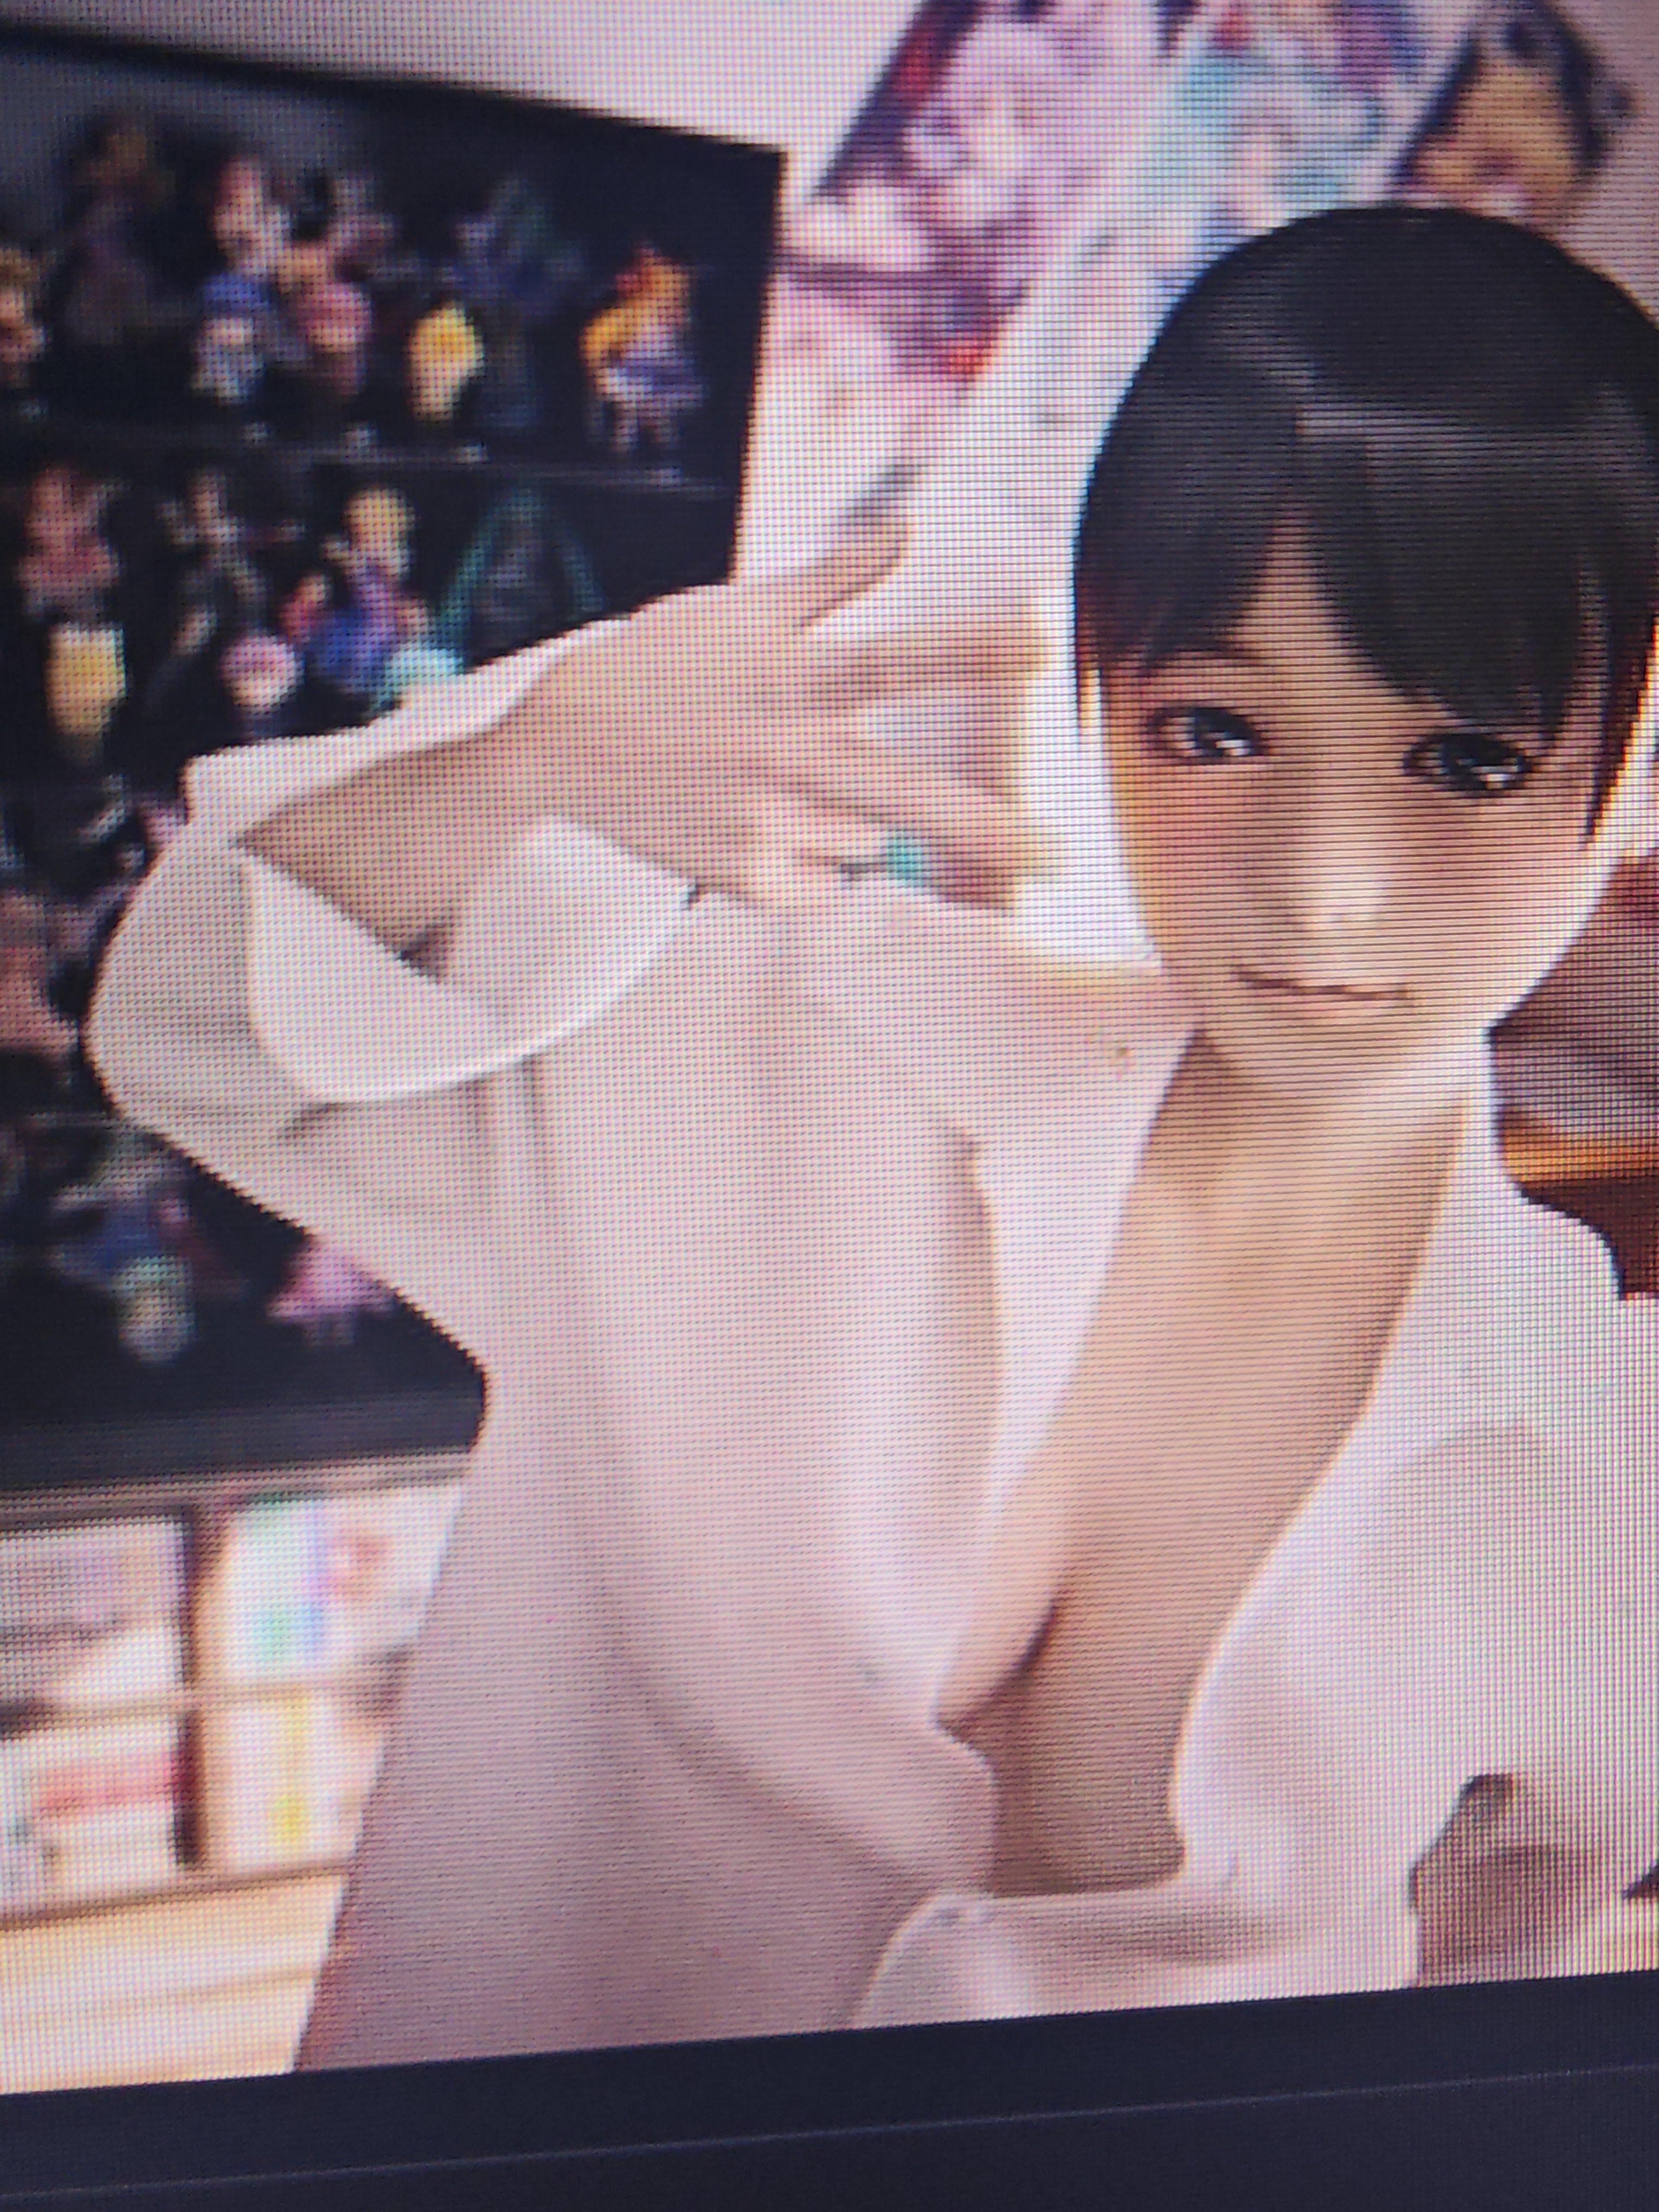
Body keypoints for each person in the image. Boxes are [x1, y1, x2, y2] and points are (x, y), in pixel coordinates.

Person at [88, 208, 1659, 2064]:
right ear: (1101, 686)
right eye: (1213, 731)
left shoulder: (1605, 1464)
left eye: (1468, 762)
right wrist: (522, 760)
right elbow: (192, 1037)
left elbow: (1470, 2046)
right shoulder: (784, 1046)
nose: (1322, 892)